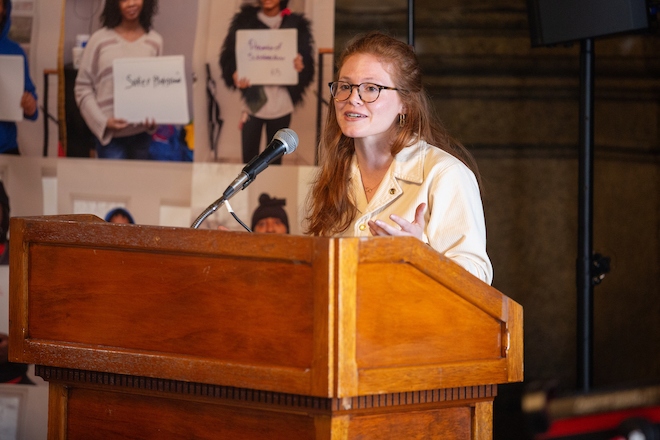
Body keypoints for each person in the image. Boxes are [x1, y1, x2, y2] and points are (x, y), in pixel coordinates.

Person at [305, 32, 493, 284]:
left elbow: (477, 280)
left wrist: (420, 256)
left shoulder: (444, 174)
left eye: (371, 88)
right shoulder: (335, 173)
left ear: (405, 103)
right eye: (345, 86)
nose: (352, 99)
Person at [219, 0, 314, 164]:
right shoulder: (244, 21)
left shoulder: (296, 24)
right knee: (249, 160)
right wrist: (235, 74)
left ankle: (271, 190)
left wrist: (301, 66)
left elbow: (307, 66)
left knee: (275, 159)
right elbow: (229, 58)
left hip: (282, 103)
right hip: (253, 102)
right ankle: (250, 190)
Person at [75, 0, 162, 159]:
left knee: (139, 184)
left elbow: (156, 88)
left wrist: (154, 119)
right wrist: (102, 122)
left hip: (142, 136)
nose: (130, 4)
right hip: (110, 140)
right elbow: (82, 87)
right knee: (111, 184)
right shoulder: (99, 40)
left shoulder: (155, 41)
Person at [0, 0, 38, 155]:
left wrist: (29, 105)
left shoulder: (15, 51)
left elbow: (31, 108)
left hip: (5, 148)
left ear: (4, 9)